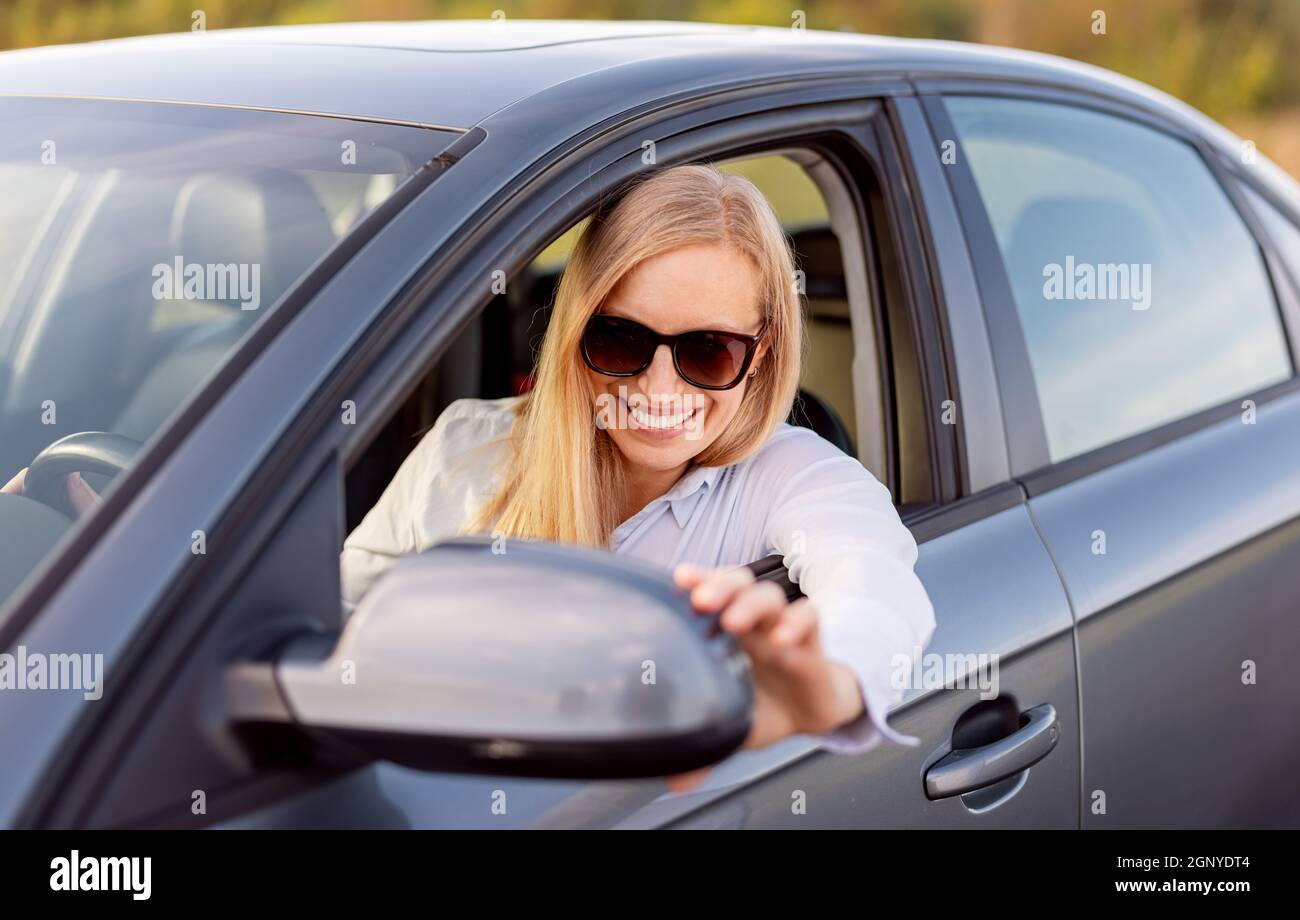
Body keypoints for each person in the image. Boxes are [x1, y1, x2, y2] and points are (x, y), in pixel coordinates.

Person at [339, 164, 935, 792]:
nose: (657, 389)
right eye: (621, 340)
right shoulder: (467, 451)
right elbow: (342, 616)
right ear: (576, 330)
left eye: (709, 350)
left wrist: (835, 683)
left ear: (760, 354)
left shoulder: (790, 473)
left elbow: (873, 581)